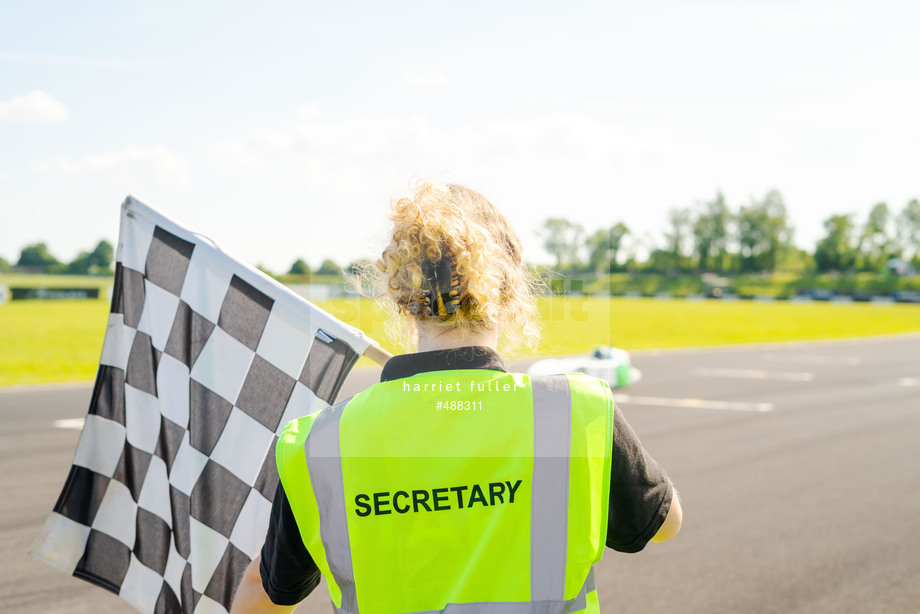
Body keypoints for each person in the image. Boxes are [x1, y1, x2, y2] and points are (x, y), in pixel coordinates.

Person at [230, 180, 681, 613]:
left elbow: (265, 593)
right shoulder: (578, 411)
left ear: (403, 300)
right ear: (508, 294)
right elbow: (664, 523)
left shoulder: (320, 445)